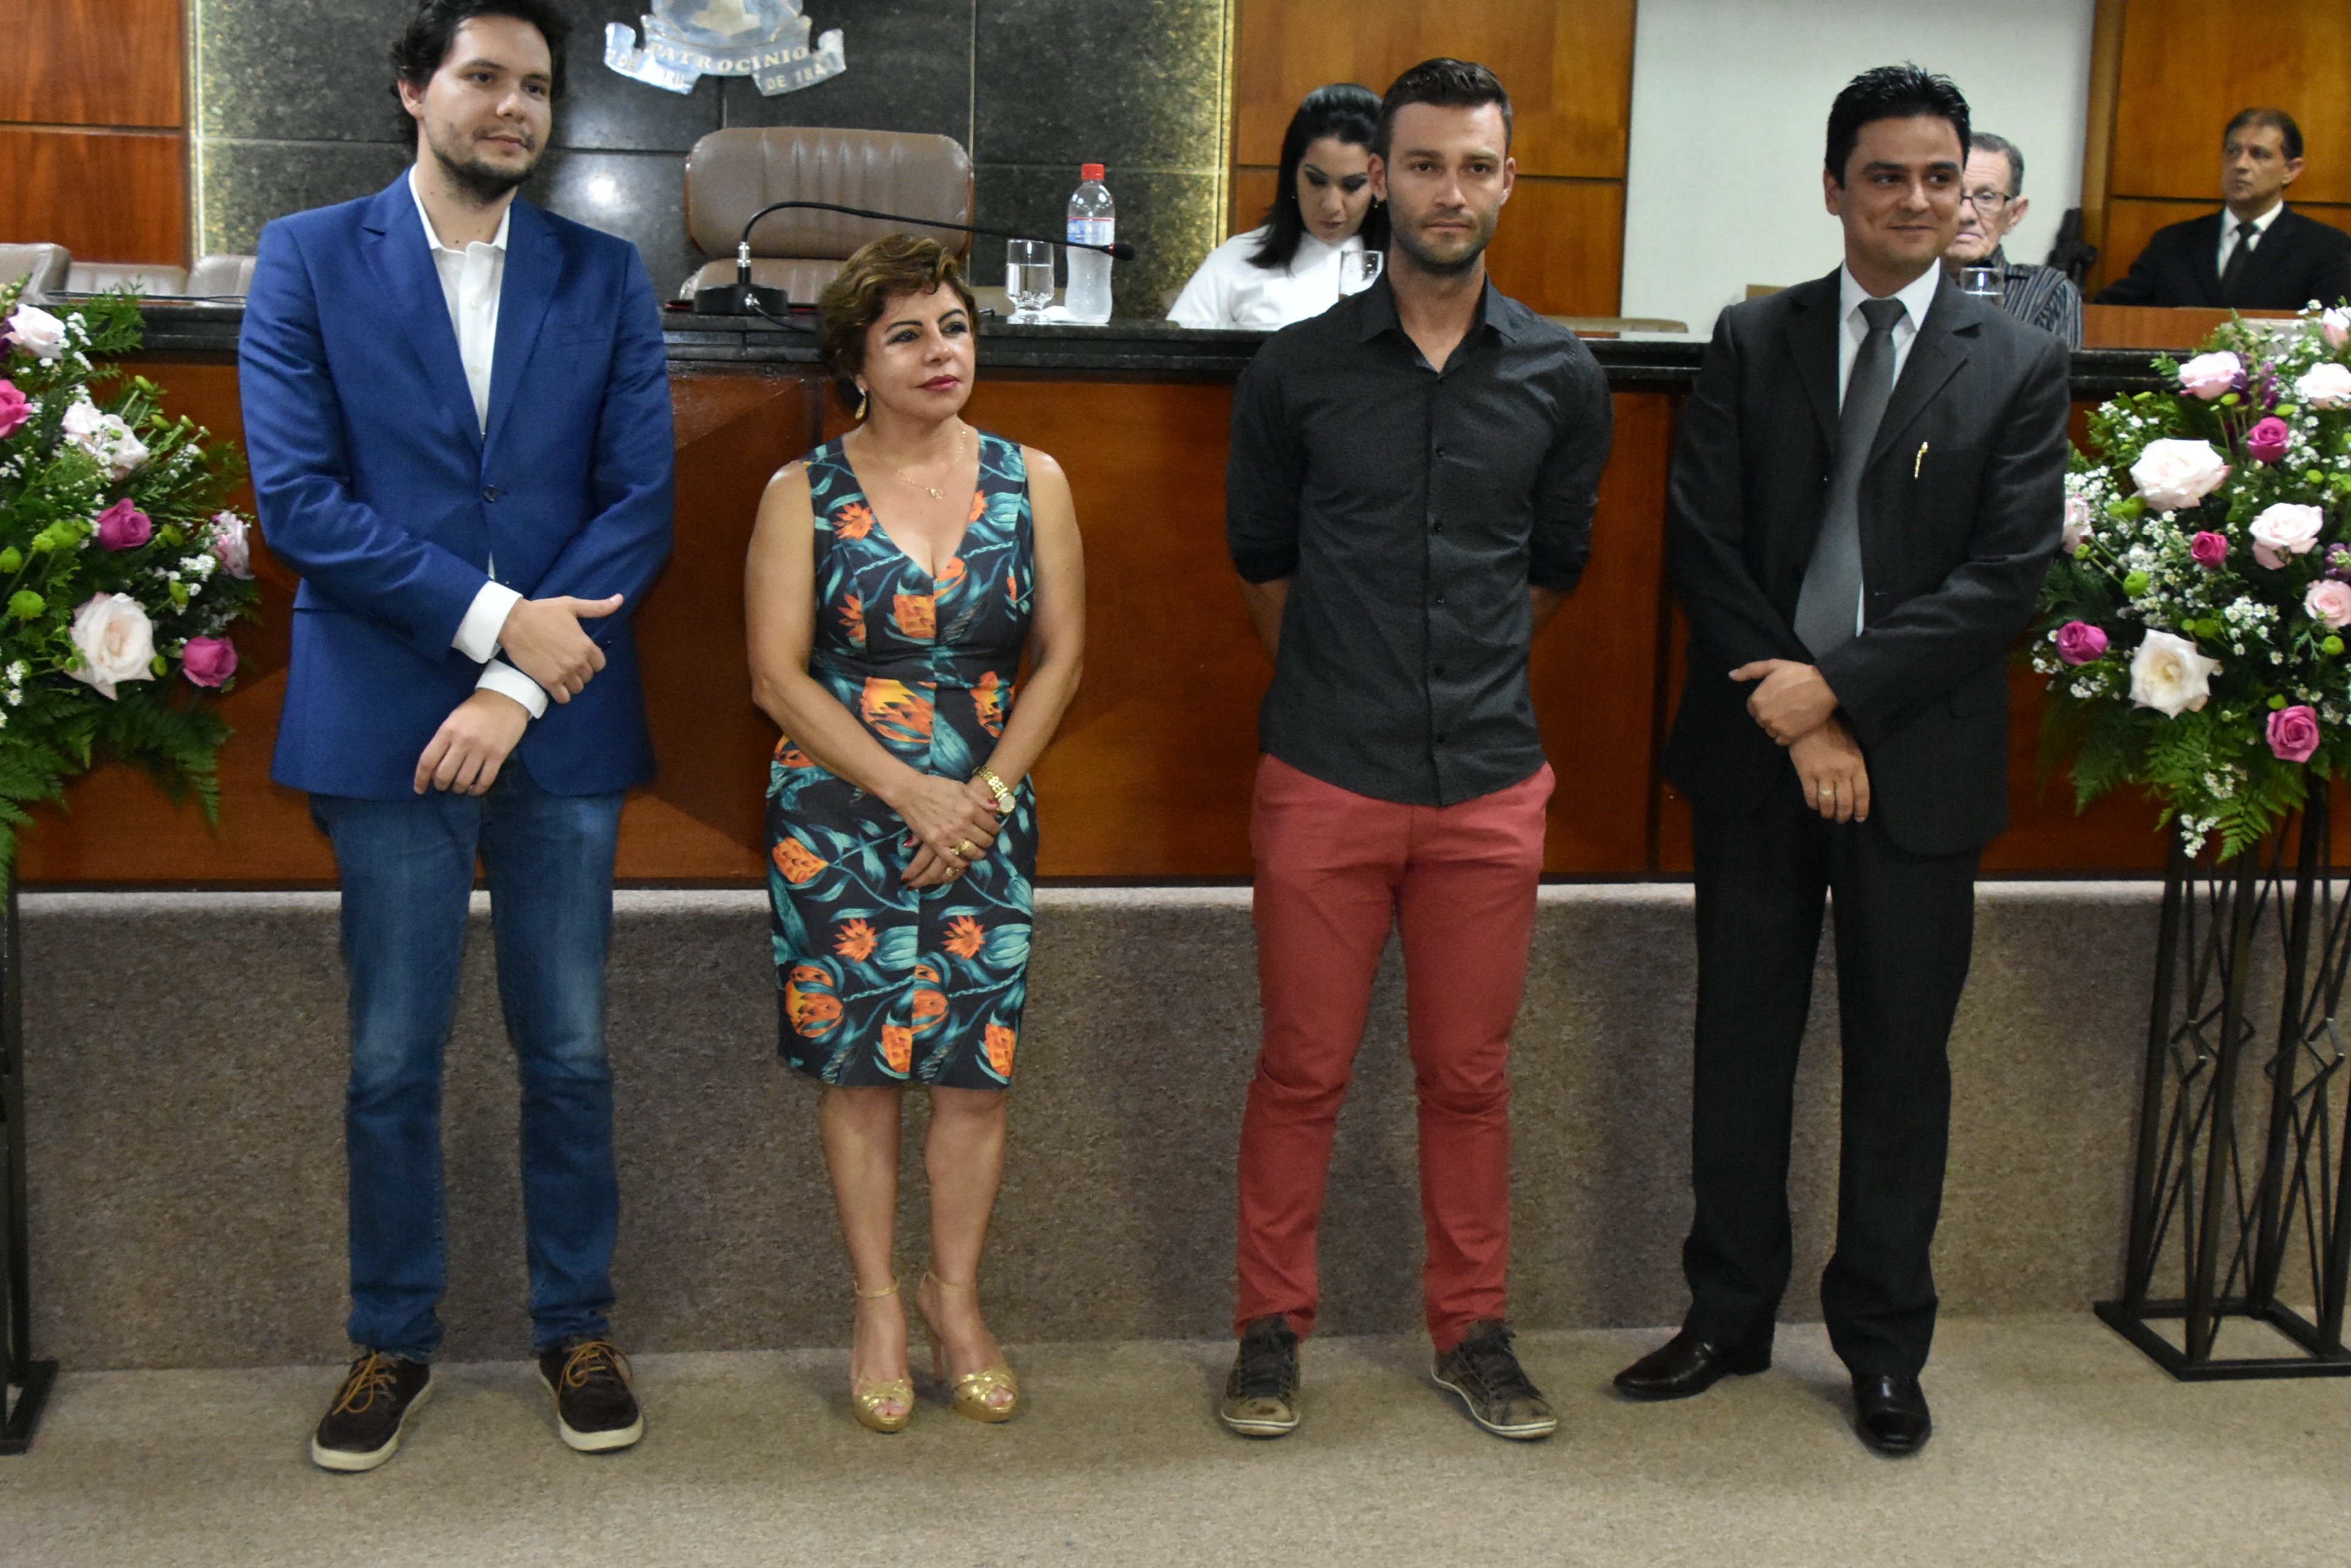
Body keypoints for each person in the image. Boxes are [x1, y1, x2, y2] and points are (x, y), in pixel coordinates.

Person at [240, 0, 675, 1471]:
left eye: (537, 86)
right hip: (384, 708)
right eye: (484, 77)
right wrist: (494, 626)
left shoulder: (603, 275)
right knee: (389, 1055)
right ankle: (392, 1335)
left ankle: (577, 1324)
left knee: (571, 1048)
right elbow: (300, 502)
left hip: (560, 716)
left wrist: (518, 688)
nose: (513, 106)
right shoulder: (308, 257)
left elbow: (638, 503)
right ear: (414, 89)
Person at [1616, 64, 2069, 1458]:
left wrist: (1846, 697)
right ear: (1834, 188)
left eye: (1941, 178)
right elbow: (1702, 543)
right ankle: (1726, 1315)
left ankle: (1882, 1347)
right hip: (1758, 754)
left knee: (1899, 1062)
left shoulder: (2016, 359)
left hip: (1916, 766)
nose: (1916, 201)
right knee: (1741, 1046)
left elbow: (2004, 579)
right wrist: (1802, 718)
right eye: (1887, 176)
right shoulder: (1754, 338)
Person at [1219, 58, 1613, 1444]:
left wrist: (1458, 671)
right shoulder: (1297, 370)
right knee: (1301, 1069)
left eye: (1476, 167)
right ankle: (1270, 1327)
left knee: (1468, 1076)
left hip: (1490, 782)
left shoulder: (1562, 375)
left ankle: (1472, 1331)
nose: (1452, 192)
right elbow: (1262, 566)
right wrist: (1354, 677)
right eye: (1426, 165)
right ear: (1379, 180)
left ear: (1509, 182)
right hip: (1325, 771)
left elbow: (1554, 568)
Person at [744, 235, 1085, 1433]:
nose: (941, 352)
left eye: (953, 326)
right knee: (860, 1072)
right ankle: (878, 1308)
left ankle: (957, 1300)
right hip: (841, 811)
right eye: (906, 334)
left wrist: (977, 796)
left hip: (987, 807)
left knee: (973, 1073)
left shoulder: (1033, 477)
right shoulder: (800, 491)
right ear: (855, 361)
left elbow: (1062, 659)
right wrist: (908, 792)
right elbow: (776, 678)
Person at [1167, 84, 1387, 329]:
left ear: (1379, 182)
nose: (1331, 205)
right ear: (1292, 175)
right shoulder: (1235, 260)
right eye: (1316, 181)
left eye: (1352, 185)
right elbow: (1180, 348)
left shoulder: (1407, 270)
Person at [2097, 108, 2351, 310]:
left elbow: (2334, 337)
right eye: (2233, 151)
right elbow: (2111, 313)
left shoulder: (2326, 249)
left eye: (2259, 154)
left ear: (2291, 170)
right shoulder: (2173, 243)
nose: (2241, 164)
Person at [1945, 131, 2080, 346]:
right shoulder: (1904, 283)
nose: (1965, 214)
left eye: (1987, 198)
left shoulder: (2047, 292)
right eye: (1955, 195)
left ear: (2015, 214)